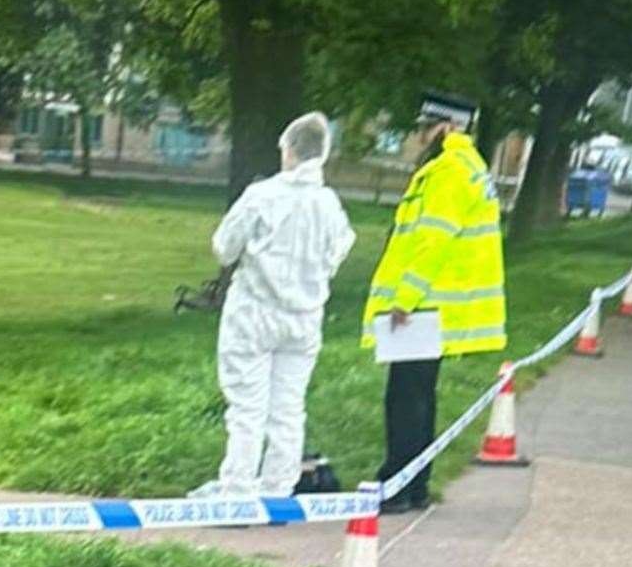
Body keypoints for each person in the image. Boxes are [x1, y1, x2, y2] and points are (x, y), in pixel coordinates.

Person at [189, 112, 356, 498]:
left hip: (254, 312)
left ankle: (236, 492)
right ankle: (279, 489)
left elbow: (224, 247)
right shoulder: (329, 204)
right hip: (304, 318)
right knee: (288, 407)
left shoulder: (262, 196)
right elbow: (340, 248)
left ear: (289, 150)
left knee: (247, 408)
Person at [361, 93, 507, 514]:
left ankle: (397, 484)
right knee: (419, 394)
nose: (419, 135)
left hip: (424, 307)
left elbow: (433, 240)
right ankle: (417, 484)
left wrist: (404, 298)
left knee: (405, 397)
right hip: (436, 305)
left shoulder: (448, 172)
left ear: (448, 128)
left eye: (426, 127)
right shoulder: (469, 168)